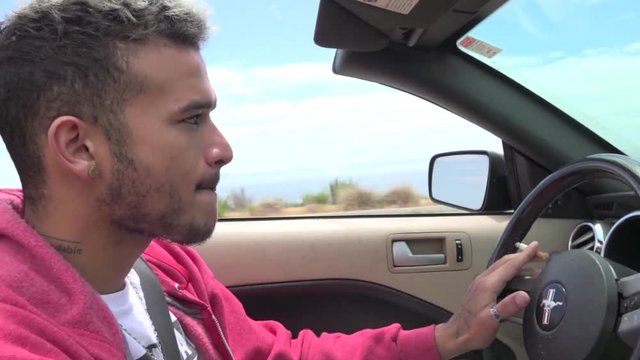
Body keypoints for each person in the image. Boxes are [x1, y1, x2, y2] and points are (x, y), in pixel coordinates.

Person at [0, 1, 540, 359]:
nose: (222, 149)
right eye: (190, 120)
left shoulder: (160, 263)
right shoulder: (19, 335)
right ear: (78, 147)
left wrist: (450, 336)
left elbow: (271, 355)